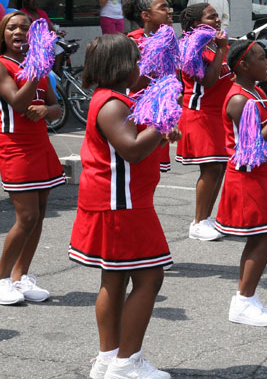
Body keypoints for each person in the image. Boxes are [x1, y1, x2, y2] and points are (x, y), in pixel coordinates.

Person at [68, 34, 176, 378]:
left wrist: (158, 128)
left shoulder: (111, 98)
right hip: (122, 205)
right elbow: (131, 148)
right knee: (150, 278)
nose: (140, 67)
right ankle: (127, 363)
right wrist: (161, 123)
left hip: (116, 202)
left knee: (114, 280)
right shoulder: (113, 104)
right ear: (121, 66)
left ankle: (108, 358)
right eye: (135, 60)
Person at [215, 40, 267, 326]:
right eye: (262, 58)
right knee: (265, 237)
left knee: (264, 237)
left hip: (259, 173)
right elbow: (255, 141)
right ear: (244, 66)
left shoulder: (255, 91)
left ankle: (246, 298)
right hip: (246, 176)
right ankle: (243, 301)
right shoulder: (239, 99)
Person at [0, 11, 65, 305]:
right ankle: (2, 279)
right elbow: (17, 101)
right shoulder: (2, 65)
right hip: (15, 147)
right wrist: (38, 69)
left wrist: (46, 111)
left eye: (24, 28)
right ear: (2, 34)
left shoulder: (35, 66)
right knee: (25, 217)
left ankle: (20, 277)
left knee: (38, 215)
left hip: (41, 146)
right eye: (11, 27)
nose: (18, 32)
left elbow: (56, 107)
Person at [176, 3, 233, 241]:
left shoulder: (210, 43)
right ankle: (198, 222)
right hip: (200, 114)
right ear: (196, 23)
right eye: (211, 17)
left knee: (219, 167)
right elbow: (207, 82)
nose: (217, 20)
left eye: (217, 16)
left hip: (216, 113)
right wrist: (221, 50)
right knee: (210, 168)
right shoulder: (192, 46)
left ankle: (206, 218)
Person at [123, 0, 175, 173]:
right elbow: (134, 85)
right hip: (137, 113)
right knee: (137, 171)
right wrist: (155, 55)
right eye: (163, 8)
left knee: (153, 173)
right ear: (146, 16)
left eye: (169, 8)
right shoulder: (132, 42)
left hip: (161, 113)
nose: (169, 12)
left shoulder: (168, 40)